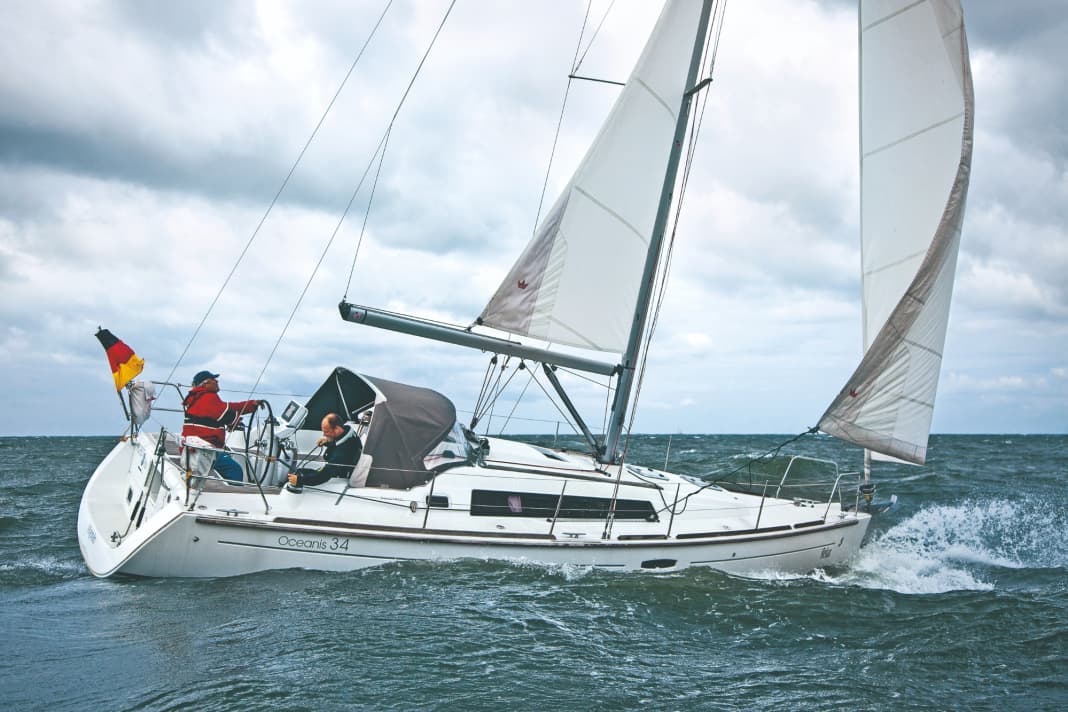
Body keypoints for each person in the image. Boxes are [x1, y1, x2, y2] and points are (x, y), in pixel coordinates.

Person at [182, 370, 263, 482]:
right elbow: (226, 414)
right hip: (205, 449)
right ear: (206, 383)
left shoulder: (199, 397)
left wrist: (252, 405)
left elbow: (228, 407)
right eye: (213, 379)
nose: (217, 381)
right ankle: (234, 496)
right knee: (234, 470)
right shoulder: (208, 397)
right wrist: (236, 421)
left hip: (194, 447)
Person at [287, 413, 363, 491]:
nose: (324, 434)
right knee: (299, 472)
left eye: (326, 431)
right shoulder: (348, 431)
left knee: (300, 473)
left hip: (337, 477)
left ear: (337, 429)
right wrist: (328, 442)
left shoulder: (341, 453)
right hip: (341, 468)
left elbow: (324, 475)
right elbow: (342, 442)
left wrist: (300, 480)